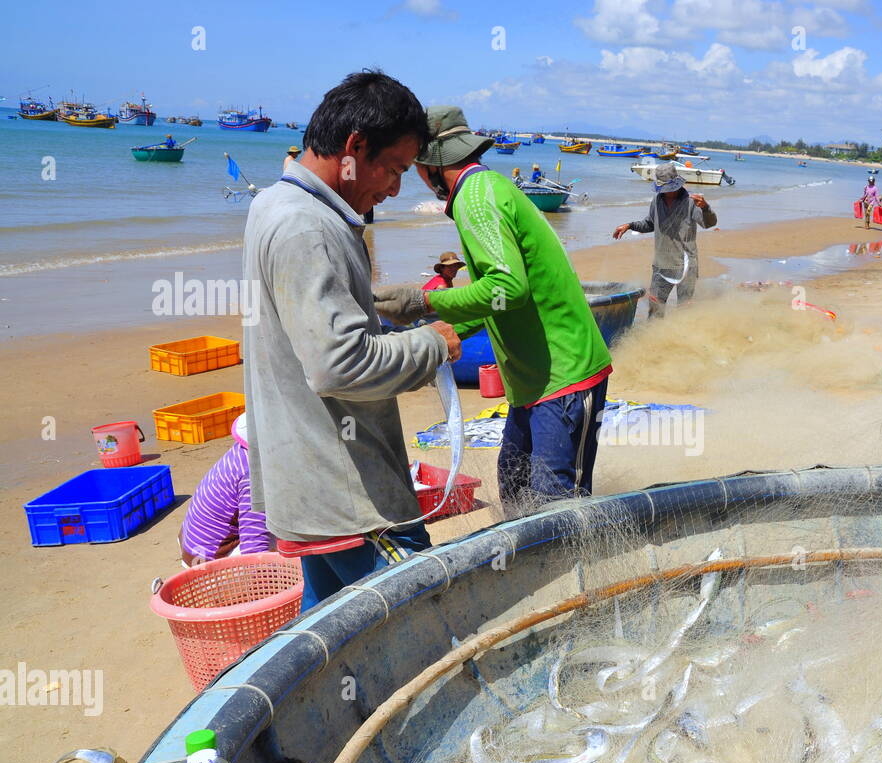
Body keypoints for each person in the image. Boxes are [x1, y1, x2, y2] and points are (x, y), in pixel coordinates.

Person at [242, 71, 462, 611]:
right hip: (354, 503)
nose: (394, 188)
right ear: (354, 148)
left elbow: (310, 338)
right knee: (425, 625)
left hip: (310, 490)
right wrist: (432, 344)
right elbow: (340, 367)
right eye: (393, 169)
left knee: (328, 643)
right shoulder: (308, 229)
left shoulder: (274, 202)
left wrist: (373, 308)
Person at [373, 106, 611, 515]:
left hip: (565, 376)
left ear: (429, 163)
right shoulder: (485, 189)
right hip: (531, 384)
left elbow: (506, 288)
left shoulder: (475, 200)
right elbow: (498, 300)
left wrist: (422, 302)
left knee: (556, 510)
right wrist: (444, 331)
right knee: (517, 494)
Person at [611, 163, 717, 318]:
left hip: (686, 265)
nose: (666, 192)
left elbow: (709, 223)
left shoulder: (691, 201)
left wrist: (706, 208)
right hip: (662, 264)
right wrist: (629, 225)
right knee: (655, 309)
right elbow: (650, 224)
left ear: (676, 183)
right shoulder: (657, 200)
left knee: (684, 310)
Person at [179, 414, 273, 566]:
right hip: (207, 561)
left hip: (192, 545)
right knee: (288, 538)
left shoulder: (241, 452)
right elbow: (254, 546)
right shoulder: (254, 475)